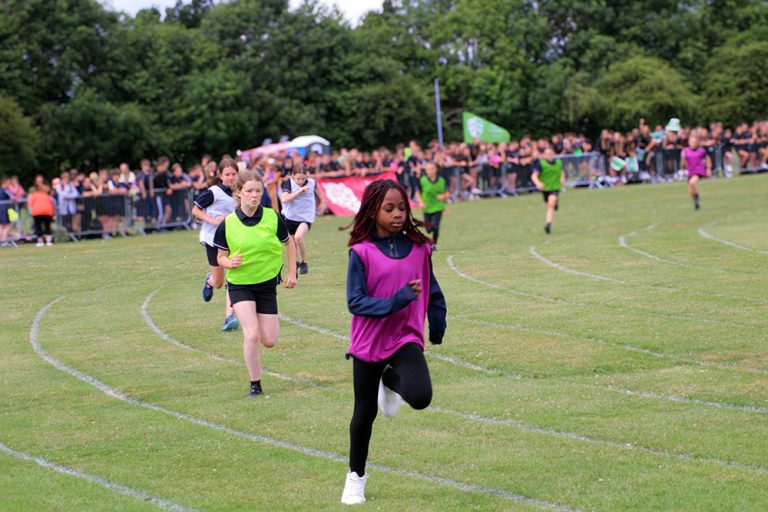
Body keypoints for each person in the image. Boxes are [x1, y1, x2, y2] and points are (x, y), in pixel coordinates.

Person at [340, 179, 447, 505]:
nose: (398, 214)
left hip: (405, 338)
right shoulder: (361, 253)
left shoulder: (418, 249)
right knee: (364, 414)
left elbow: (433, 290)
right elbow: (355, 302)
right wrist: (395, 301)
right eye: (389, 209)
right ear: (373, 211)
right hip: (369, 343)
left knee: (421, 396)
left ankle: (390, 380)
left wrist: (437, 322)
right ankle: (355, 478)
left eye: (402, 207)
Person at [213, 170, 297, 397]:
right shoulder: (227, 224)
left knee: (269, 340)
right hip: (240, 284)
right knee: (251, 334)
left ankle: (256, 378)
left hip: (267, 285)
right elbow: (220, 256)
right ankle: (255, 385)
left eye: (258, 191)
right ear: (238, 192)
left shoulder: (272, 217)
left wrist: (292, 272)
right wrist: (229, 263)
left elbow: (289, 244)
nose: (254, 195)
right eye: (249, 191)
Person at [192, 158, 240, 332]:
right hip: (213, 239)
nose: (231, 177)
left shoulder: (239, 192)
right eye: (227, 174)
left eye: (234, 174)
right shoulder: (213, 192)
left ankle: (229, 317)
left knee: (233, 276)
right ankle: (209, 281)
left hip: (233, 239)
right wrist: (212, 220)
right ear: (221, 176)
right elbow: (195, 210)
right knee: (219, 282)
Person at [280, 167, 318, 275]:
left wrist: (323, 202)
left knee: (298, 237)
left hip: (306, 218)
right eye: (298, 179)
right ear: (293, 176)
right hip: (290, 218)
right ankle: (293, 266)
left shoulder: (311, 182)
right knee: (291, 245)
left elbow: (319, 194)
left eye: (302, 178)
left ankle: (304, 263)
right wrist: (299, 191)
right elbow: (284, 199)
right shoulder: (289, 183)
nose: (300, 181)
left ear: (306, 175)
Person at [532, 147, 565, 234]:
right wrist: (538, 183)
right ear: (544, 155)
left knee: (551, 204)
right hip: (545, 188)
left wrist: (562, 178)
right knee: (548, 206)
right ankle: (555, 204)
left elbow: (562, 171)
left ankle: (548, 224)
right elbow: (534, 176)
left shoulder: (558, 162)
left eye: (550, 153)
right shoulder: (541, 164)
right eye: (547, 153)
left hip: (555, 187)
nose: (549, 155)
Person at [418, 162, 450, 247]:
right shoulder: (422, 180)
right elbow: (417, 192)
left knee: (435, 226)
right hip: (426, 207)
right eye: (427, 169)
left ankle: (434, 243)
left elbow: (447, 193)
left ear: (435, 169)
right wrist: (420, 202)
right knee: (428, 229)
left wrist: (443, 196)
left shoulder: (441, 181)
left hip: (438, 207)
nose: (429, 171)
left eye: (431, 168)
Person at [681, 134, 712, 210]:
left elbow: (708, 159)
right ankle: (696, 200)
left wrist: (708, 168)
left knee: (692, 182)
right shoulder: (685, 151)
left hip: (699, 170)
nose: (692, 143)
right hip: (690, 171)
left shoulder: (701, 150)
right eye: (690, 141)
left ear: (697, 142)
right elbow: (683, 164)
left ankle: (696, 199)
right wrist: (683, 161)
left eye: (693, 141)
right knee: (691, 190)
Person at [27, 182, 56, 247]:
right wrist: (53, 214)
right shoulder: (47, 195)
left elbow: (30, 204)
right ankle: (49, 241)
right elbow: (52, 204)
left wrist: (30, 212)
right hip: (48, 212)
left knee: (38, 227)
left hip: (37, 212)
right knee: (47, 226)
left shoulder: (34, 195)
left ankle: (40, 242)